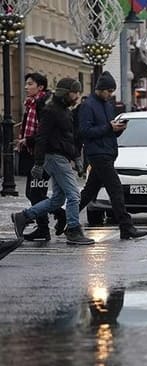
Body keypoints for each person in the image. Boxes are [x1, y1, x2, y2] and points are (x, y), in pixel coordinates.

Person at [11, 78, 94, 245]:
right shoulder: (51, 110)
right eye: (75, 92)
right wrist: (38, 163)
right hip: (54, 157)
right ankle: (73, 229)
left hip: (61, 156)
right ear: (65, 92)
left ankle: (23, 216)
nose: (77, 96)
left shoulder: (64, 110)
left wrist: (76, 156)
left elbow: (69, 137)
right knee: (73, 195)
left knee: (58, 199)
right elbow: (41, 137)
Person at [77, 71, 147, 240]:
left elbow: (109, 130)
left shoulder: (108, 105)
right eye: (108, 91)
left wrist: (118, 129)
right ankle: (126, 226)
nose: (110, 94)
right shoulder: (88, 105)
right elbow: (85, 131)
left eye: (112, 91)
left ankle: (64, 217)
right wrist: (109, 127)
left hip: (108, 152)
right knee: (116, 189)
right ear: (99, 89)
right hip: (97, 154)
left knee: (89, 192)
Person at [15, 72, 66, 241]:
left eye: (30, 84)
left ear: (40, 87)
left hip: (43, 155)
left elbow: (44, 132)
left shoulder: (44, 104)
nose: (26, 87)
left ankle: (56, 217)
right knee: (33, 193)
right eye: (26, 83)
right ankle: (45, 226)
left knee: (36, 193)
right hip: (33, 153)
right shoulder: (31, 103)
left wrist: (27, 140)